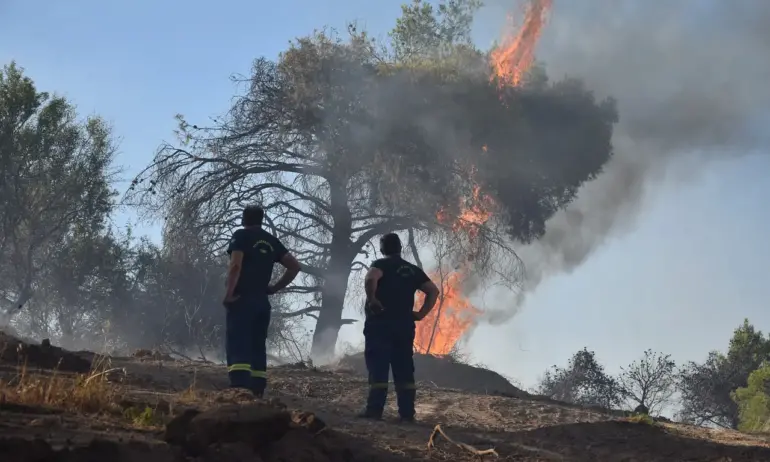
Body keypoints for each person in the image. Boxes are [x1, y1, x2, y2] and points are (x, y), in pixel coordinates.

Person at [359, 232, 440, 422]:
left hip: (380, 324)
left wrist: (373, 300)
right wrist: (420, 314)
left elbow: (371, 279)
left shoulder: (381, 264)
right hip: (404, 327)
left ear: (382, 249)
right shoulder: (412, 270)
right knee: (403, 368)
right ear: (400, 248)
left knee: (378, 367)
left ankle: (374, 411)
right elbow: (433, 291)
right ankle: (407, 414)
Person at [223, 205, 300, 397]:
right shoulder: (271, 240)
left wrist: (229, 293)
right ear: (261, 220)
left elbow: (235, 265)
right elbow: (294, 266)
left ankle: (239, 388)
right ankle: (257, 388)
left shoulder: (241, 236)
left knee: (238, 341)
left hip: (242, 299)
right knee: (258, 343)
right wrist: (274, 288)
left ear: (243, 219)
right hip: (262, 302)